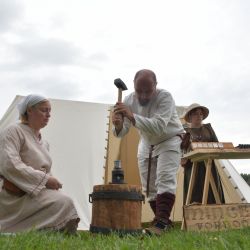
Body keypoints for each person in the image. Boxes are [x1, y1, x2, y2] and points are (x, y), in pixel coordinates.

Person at [112, 69, 185, 235]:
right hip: (146, 142)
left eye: (148, 91)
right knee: (149, 187)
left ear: (156, 86)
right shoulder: (129, 99)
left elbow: (159, 126)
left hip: (170, 139)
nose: (144, 96)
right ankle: (163, 220)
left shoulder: (165, 97)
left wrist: (130, 115)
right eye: (139, 91)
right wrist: (117, 125)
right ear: (133, 86)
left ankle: (160, 224)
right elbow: (123, 131)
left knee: (165, 178)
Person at [0, 94, 80, 233]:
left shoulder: (44, 143)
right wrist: (45, 180)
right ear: (29, 110)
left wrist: (51, 182)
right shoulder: (14, 131)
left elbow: (46, 170)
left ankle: (51, 231)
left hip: (36, 192)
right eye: (44, 110)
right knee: (64, 203)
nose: (48, 115)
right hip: (16, 196)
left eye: (49, 111)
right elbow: (9, 164)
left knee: (64, 201)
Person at [182, 103, 225, 204]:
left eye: (201, 114)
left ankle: (216, 218)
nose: (199, 116)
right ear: (190, 116)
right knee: (194, 194)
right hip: (192, 166)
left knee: (213, 193)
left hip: (209, 164)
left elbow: (217, 145)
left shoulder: (208, 128)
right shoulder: (185, 131)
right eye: (196, 114)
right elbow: (181, 150)